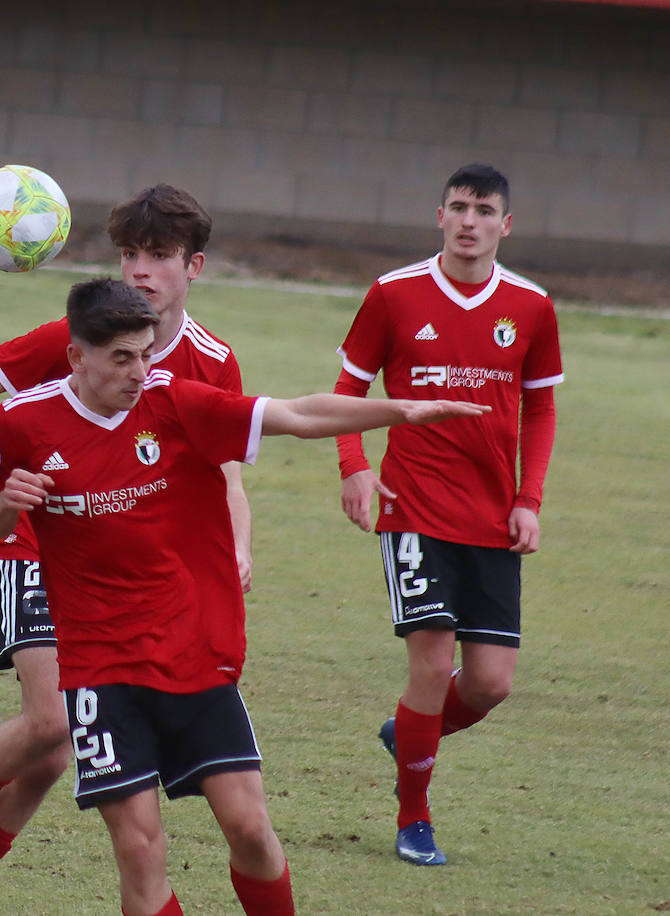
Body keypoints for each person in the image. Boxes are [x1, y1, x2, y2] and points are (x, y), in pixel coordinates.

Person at [0, 277, 487, 916]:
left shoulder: (177, 403)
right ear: (77, 357)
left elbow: (297, 414)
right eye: (122, 357)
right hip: (98, 671)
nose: (140, 370)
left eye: (146, 352)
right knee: (140, 849)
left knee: (249, 830)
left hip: (193, 658)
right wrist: (4, 503)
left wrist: (398, 411)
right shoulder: (23, 421)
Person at [0, 185, 249, 916]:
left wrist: (236, 549)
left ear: (192, 266)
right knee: (49, 724)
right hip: (28, 542)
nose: (140, 271)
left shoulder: (210, 361)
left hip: (118, 574)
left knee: (49, 759)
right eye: (129, 254)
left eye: (158, 256)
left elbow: (220, 465)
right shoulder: (74, 337)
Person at [332, 163, 563, 866]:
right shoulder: (394, 294)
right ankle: (414, 818)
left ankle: (410, 736)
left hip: (492, 518)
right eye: (458, 207)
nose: (469, 220)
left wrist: (528, 500)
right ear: (440, 216)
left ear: (505, 224)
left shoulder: (530, 305)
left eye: (483, 210)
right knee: (431, 665)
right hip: (412, 511)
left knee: (490, 683)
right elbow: (347, 388)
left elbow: (541, 406)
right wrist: (355, 467)